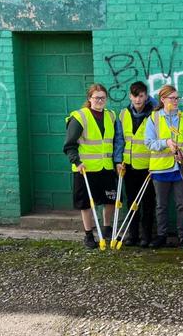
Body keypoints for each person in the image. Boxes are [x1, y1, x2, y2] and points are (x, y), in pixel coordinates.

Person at [145, 84, 183, 249]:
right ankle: (162, 235)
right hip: (160, 168)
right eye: (172, 98)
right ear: (163, 99)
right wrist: (166, 143)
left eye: (177, 98)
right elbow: (149, 143)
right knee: (161, 205)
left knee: (182, 204)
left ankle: (182, 237)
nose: (176, 101)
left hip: (180, 168)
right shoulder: (154, 118)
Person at [63, 84, 117, 249]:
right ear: (89, 99)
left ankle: (107, 229)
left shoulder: (111, 116)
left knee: (110, 200)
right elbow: (69, 145)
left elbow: (113, 142)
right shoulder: (79, 117)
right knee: (86, 203)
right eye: (96, 98)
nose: (100, 101)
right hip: (85, 168)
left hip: (106, 167)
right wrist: (77, 162)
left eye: (102, 98)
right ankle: (88, 235)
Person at [113, 81, 158, 247]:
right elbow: (119, 139)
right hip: (129, 167)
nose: (137, 99)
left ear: (146, 96)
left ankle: (146, 236)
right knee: (131, 201)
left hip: (148, 167)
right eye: (134, 96)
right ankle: (133, 235)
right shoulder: (123, 114)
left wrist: (156, 164)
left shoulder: (154, 114)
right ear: (130, 96)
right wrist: (118, 161)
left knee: (148, 202)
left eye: (141, 96)